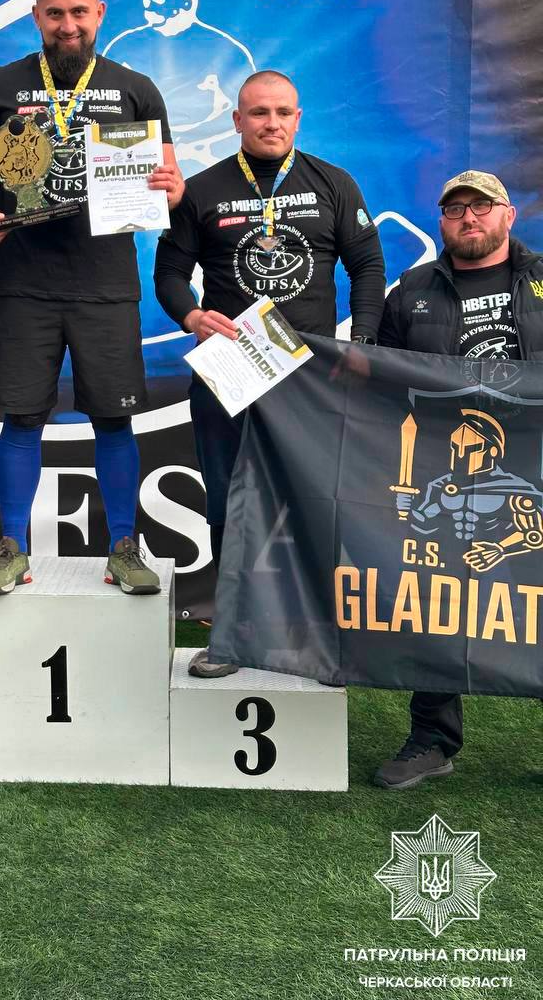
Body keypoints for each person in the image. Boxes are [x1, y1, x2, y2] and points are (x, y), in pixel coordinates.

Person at [0, 0, 183, 596]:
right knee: (22, 418)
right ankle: (12, 547)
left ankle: (124, 547)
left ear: (100, 14)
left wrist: (166, 187)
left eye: (79, 12)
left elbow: (172, 180)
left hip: (106, 284)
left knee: (114, 419)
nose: (68, 24)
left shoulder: (136, 89)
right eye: (55, 13)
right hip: (25, 282)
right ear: (36, 17)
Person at [154, 70, 385, 675]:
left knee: (316, 496)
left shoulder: (334, 184)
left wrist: (359, 342)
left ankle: (314, 631)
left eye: (283, 112)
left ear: (299, 117)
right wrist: (191, 315)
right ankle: (233, 632)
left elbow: (367, 268)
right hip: (229, 367)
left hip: (309, 373)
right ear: (236, 120)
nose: (271, 123)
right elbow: (169, 274)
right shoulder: (203, 190)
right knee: (229, 500)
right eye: (258, 113)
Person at [374, 169, 543, 789]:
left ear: (508, 215)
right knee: (437, 607)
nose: (468, 219)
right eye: (455, 211)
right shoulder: (412, 291)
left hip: (535, 464)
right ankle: (431, 739)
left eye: (482, 207)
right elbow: (381, 376)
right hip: (442, 471)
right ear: (443, 222)